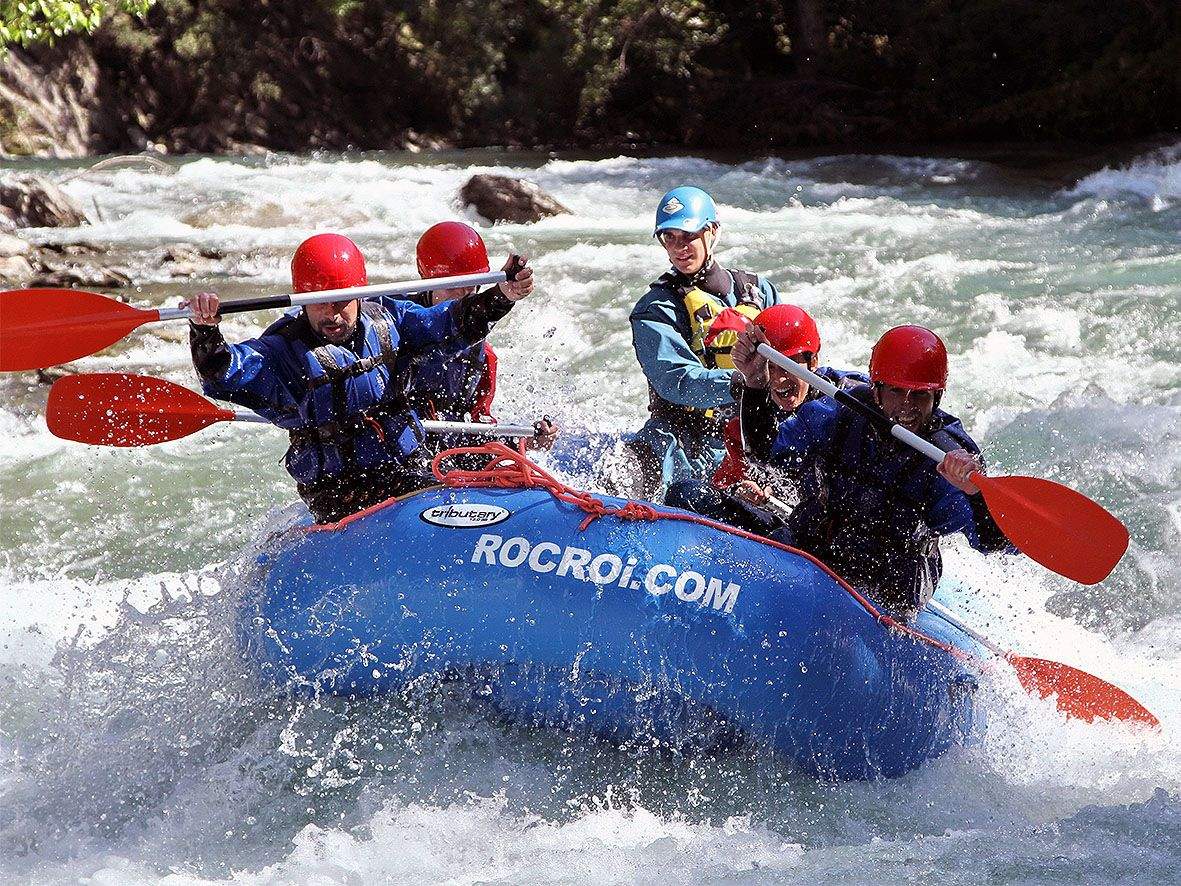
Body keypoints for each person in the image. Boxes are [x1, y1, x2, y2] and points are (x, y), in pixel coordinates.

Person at [184, 232, 534, 523]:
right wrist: (205, 331)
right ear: (302, 301)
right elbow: (223, 372)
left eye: (340, 302)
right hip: (341, 494)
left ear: (358, 295)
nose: (332, 315)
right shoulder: (282, 351)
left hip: (409, 471)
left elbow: (450, 323)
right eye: (319, 303)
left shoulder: (390, 319)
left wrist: (503, 296)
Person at [752, 325, 1013, 619]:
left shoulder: (944, 458)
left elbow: (993, 542)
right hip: (816, 546)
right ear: (876, 390)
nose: (907, 406)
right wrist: (754, 383)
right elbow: (766, 452)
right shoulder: (840, 413)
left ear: (937, 397)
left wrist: (975, 493)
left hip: (888, 587)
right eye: (896, 391)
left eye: (920, 395)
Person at [622, 185, 782, 500]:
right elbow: (676, 381)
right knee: (636, 479)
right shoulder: (655, 308)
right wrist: (744, 383)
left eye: (689, 235)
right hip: (680, 440)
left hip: (750, 432)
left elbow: (790, 353)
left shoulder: (759, 291)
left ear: (713, 232)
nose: (679, 247)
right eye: (669, 237)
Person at [663, 304, 865, 534]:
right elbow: (733, 477)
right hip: (792, 522)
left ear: (813, 361)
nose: (778, 380)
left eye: (788, 366)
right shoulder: (755, 406)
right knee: (686, 493)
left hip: (841, 531)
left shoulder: (846, 400)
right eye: (771, 367)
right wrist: (741, 490)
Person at [405, 220, 558, 451]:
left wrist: (524, 441)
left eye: (472, 285)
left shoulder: (484, 356)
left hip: (438, 460)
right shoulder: (394, 323)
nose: (463, 294)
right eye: (452, 285)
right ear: (427, 280)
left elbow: (477, 433)